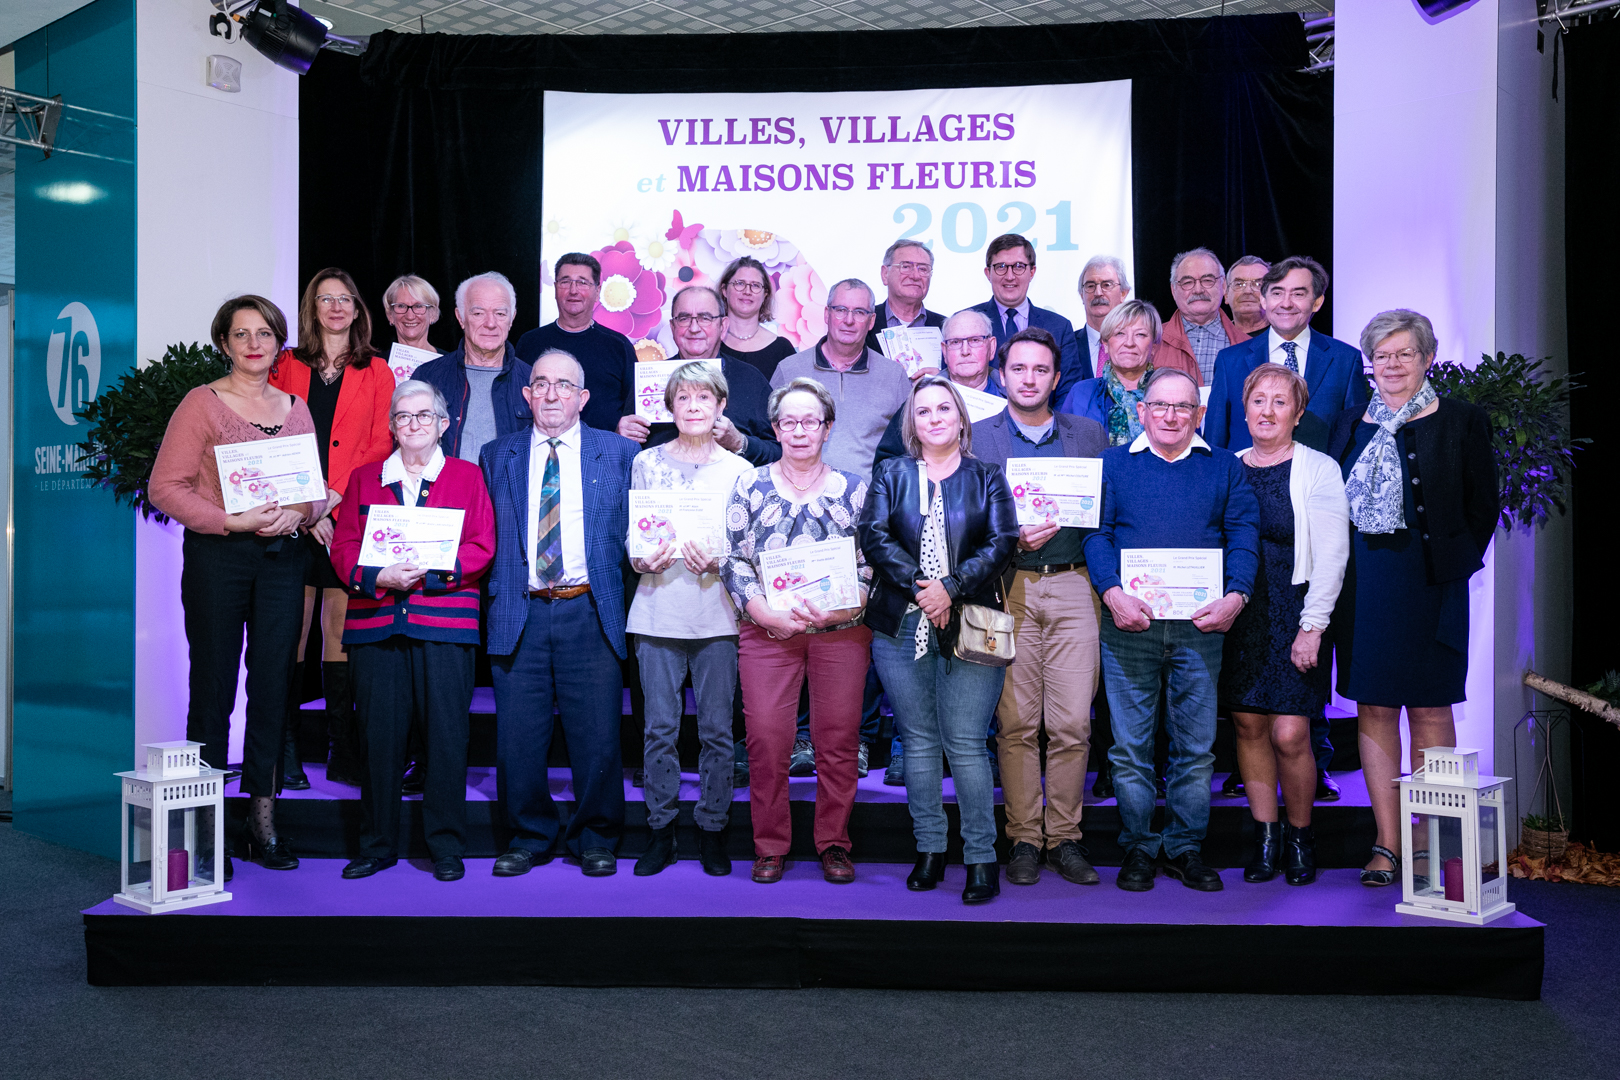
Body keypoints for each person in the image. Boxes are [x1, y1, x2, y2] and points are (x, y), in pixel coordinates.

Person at [149, 295, 321, 876]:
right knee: (214, 687)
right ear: (224, 342)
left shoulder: (296, 408)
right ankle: (207, 830)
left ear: (279, 344)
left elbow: (314, 491)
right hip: (218, 558)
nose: (254, 343)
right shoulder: (201, 404)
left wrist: (299, 512)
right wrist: (233, 520)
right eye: (241, 334)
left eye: (265, 333)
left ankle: (263, 823)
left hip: (282, 559)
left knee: (274, 686)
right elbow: (165, 488)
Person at [1326, 310, 1496, 888]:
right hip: (1365, 582)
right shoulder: (1349, 422)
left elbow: (1483, 507)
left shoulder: (1463, 421)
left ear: (1427, 357)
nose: (1393, 365)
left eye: (1404, 353)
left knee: (1429, 707)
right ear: (1370, 363)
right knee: (1373, 706)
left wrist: (1453, 564)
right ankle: (1388, 842)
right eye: (1382, 355)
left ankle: (1436, 840)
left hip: (1432, 584)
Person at [1084, 368, 1260, 892]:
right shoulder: (1112, 465)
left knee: (1196, 748)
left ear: (1198, 414)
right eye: (1160, 405)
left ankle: (1185, 847)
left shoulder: (1224, 467)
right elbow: (1098, 534)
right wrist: (1111, 591)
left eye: (1183, 407)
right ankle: (1138, 847)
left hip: (1200, 629)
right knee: (1129, 749)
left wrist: (1238, 595)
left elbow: (1243, 532)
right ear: (1141, 410)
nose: (1170, 416)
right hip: (1128, 625)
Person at [328, 380, 496, 882]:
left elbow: (482, 546)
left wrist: (430, 573)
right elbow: (343, 549)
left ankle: (445, 845)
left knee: (447, 738)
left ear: (444, 425)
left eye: (424, 416)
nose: (414, 424)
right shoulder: (364, 478)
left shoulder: (467, 477)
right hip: (377, 626)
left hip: (444, 625)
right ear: (392, 427)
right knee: (378, 740)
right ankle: (376, 845)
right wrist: (379, 576)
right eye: (404, 416)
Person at [481, 349, 639, 878]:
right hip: (520, 609)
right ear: (526, 395)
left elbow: (634, 536)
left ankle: (596, 835)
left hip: (588, 608)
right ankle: (528, 835)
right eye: (541, 384)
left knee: (596, 733)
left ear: (583, 397)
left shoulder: (617, 454)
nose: (551, 394)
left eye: (563, 385)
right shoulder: (495, 454)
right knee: (518, 737)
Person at [860, 376, 1018, 903]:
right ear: (912, 423)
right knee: (920, 742)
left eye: (943, 408)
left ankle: (980, 857)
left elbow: (1002, 542)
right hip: (902, 623)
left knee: (968, 745)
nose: (934, 418)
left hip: (972, 623)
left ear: (961, 417)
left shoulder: (987, 477)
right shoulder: (891, 473)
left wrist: (950, 587)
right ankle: (929, 848)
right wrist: (923, 591)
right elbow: (875, 536)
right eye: (923, 411)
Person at [719, 378, 872, 886]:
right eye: (789, 421)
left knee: (837, 741)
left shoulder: (854, 489)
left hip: (841, 632)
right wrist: (763, 612)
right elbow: (734, 561)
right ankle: (770, 846)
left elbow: (870, 565)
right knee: (767, 740)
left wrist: (843, 608)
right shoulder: (750, 485)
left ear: (827, 428)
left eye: (811, 421)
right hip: (768, 632)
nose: (800, 430)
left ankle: (833, 842)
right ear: (776, 428)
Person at [972, 328, 1110, 886]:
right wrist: (1009, 537)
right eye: (1019, 369)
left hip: (1076, 585)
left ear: (1057, 378)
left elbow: (1105, 515)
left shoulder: (1089, 434)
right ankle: (1026, 837)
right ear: (1001, 376)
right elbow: (965, 520)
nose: (1029, 379)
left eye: (1041, 370)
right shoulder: (977, 439)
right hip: (1007, 590)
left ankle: (1067, 837)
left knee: (1074, 722)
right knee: (1017, 723)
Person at [1220, 367, 1349, 887]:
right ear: (1244, 407)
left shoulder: (1319, 468)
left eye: (1280, 401)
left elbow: (1334, 554)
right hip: (1241, 615)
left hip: (1297, 612)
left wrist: (1313, 626)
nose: (1267, 410)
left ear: (1298, 413)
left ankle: (1300, 836)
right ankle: (1265, 837)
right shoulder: (1224, 467)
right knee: (1248, 725)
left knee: (1291, 732)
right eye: (1257, 400)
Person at [268, 268, 396, 791]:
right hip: (289, 520)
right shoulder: (285, 366)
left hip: (344, 518)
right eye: (326, 299)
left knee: (341, 636)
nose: (337, 307)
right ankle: (287, 748)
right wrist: (305, 509)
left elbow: (378, 446)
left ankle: (344, 749)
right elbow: (270, 435)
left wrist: (329, 504)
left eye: (346, 298)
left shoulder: (378, 370)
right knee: (291, 635)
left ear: (358, 308)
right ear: (311, 307)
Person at [627, 361, 754, 878]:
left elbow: (746, 547)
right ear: (671, 407)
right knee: (658, 729)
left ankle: (712, 828)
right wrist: (639, 559)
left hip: (718, 614)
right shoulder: (646, 463)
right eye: (685, 399)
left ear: (721, 407)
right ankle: (661, 830)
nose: (696, 407)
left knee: (718, 731)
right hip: (658, 609)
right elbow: (634, 536)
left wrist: (721, 560)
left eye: (706, 398)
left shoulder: (740, 472)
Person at [1206, 255, 1368, 453]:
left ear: (1317, 302)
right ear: (1264, 301)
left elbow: (1356, 437)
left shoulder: (1345, 359)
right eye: (1277, 293)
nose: (1286, 303)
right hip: (1246, 480)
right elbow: (1216, 440)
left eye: (1298, 294)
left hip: (1320, 480)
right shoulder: (1230, 361)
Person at [617, 285, 780, 466]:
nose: (694, 328)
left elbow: (779, 451)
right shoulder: (647, 381)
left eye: (705, 318)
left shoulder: (750, 379)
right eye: (684, 318)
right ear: (672, 327)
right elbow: (624, 455)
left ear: (723, 326)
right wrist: (619, 436)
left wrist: (740, 443)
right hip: (662, 490)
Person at [770, 278, 911, 481]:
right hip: (798, 499)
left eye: (859, 312)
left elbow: (909, 447)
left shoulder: (894, 376)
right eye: (841, 310)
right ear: (827, 314)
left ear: (871, 321)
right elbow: (768, 440)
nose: (849, 320)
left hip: (869, 504)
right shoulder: (789, 370)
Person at [412, 272, 534, 463]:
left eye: (500, 313)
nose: (490, 324)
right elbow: (407, 447)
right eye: (478, 313)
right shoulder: (428, 377)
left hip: (507, 493)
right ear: (460, 318)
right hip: (445, 491)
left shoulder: (533, 381)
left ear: (512, 318)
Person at [516, 252, 639, 434]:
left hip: (605, 456)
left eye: (582, 282)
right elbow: (517, 403)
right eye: (565, 281)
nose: (573, 290)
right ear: (556, 288)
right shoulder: (529, 343)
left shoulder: (619, 346)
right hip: (541, 453)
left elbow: (634, 407)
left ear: (597, 291)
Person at [1059, 299, 1197, 443]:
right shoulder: (1081, 392)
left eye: (1140, 335)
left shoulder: (1173, 392)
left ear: (1154, 347)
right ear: (1105, 344)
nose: (1129, 343)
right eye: (1120, 333)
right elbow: (1064, 447)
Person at [874, 307, 997, 467]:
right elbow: (885, 464)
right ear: (944, 352)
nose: (965, 351)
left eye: (975, 340)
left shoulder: (1013, 400)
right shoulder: (918, 401)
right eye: (955, 342)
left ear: (992, 347)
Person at [973, 233, 1084, 406]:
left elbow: (1068, 394)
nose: (1009, 276)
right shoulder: (967, 323)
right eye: (1001, 266)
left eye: (1018, 266)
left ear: (1032, 272)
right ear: (988, 273)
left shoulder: (1059, 327)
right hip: (981, 429)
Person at [1158, 248, 1250, 386]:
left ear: (1223, 285)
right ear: (1173, 290)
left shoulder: (1249, 346)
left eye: (1207, 280)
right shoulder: (1152, 342)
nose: (1198, 289)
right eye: (1187, 282)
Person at [718, 256, 796, 381]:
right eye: (740, 283)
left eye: (755, 285)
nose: (747, 291)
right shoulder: (709, 344)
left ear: (765, 294)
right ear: (724, 290)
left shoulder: (782, 349)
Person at [865, 240, 946, 355]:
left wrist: (940, 374)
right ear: (885, 274)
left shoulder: (945, 327)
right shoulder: (863, 321)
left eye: (923, 269)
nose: (915, 276)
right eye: (906, 267)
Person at [1077, 255, 1132, 380]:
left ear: (1123, 293)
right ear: (1081, 295)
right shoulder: (1067, 345)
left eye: (1106, 285)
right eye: (1090, 286)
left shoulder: (1135, 344)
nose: (1098, 293)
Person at [383, 274, 442, 357]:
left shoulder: (453, 365)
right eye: (401, 306)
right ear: (390, 315)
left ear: (433, 314)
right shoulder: (375, 367)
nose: (410, 316)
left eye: (418, 306)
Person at [1225, 256, 1271, 338]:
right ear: (1226, 295)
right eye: (1239, 284)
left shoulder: (1285, 338)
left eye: (1258, 284)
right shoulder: (1215, 340)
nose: (1247, 291)